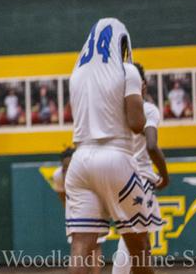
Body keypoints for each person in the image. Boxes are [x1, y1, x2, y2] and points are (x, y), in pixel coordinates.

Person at [65, 18, 161, 274]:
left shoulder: (77, 74)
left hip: (80, 161)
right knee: (140, 247)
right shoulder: (127, 71)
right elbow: (136, 123)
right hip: (115, 158)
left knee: (81, 246)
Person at [112, 63, 169, 274]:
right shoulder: (148, 110)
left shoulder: (113, 111)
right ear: (142, 85)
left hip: (115, 176)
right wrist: (165, 176)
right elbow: (152, 146)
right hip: (139, 179)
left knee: (140, 241)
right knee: (134, 240)